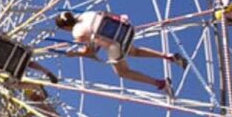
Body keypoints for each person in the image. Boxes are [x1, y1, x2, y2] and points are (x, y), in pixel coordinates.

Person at [54, 11, 186, 93]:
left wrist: (75, 54)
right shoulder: (87, 14)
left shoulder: (77, 33)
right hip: (126, 31)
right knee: (134, 51)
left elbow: (90, 52)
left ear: (65, 27)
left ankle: (160, 83)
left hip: (115, 44)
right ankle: (168, 56)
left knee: (123, 72)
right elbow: (107, 15)